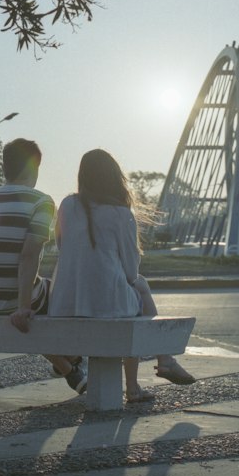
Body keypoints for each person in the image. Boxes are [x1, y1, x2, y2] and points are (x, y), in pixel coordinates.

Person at [50, 148, 195, 404]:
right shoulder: (120, 214)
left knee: (133, 295)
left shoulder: (67, 205)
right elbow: (130, 271)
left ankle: (154, 370)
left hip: (64, 305)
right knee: (140, 287)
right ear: (114, 178)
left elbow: (64, 249)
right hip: (106, 306)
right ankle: (159, 364)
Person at [0, 138, 86, 394]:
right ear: (34, 168)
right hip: (10, 300)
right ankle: (73, 357)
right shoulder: (41, 201)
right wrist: (22, 307)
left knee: (35, 295)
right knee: (60, 294)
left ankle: (69, 369)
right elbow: (28, 256)